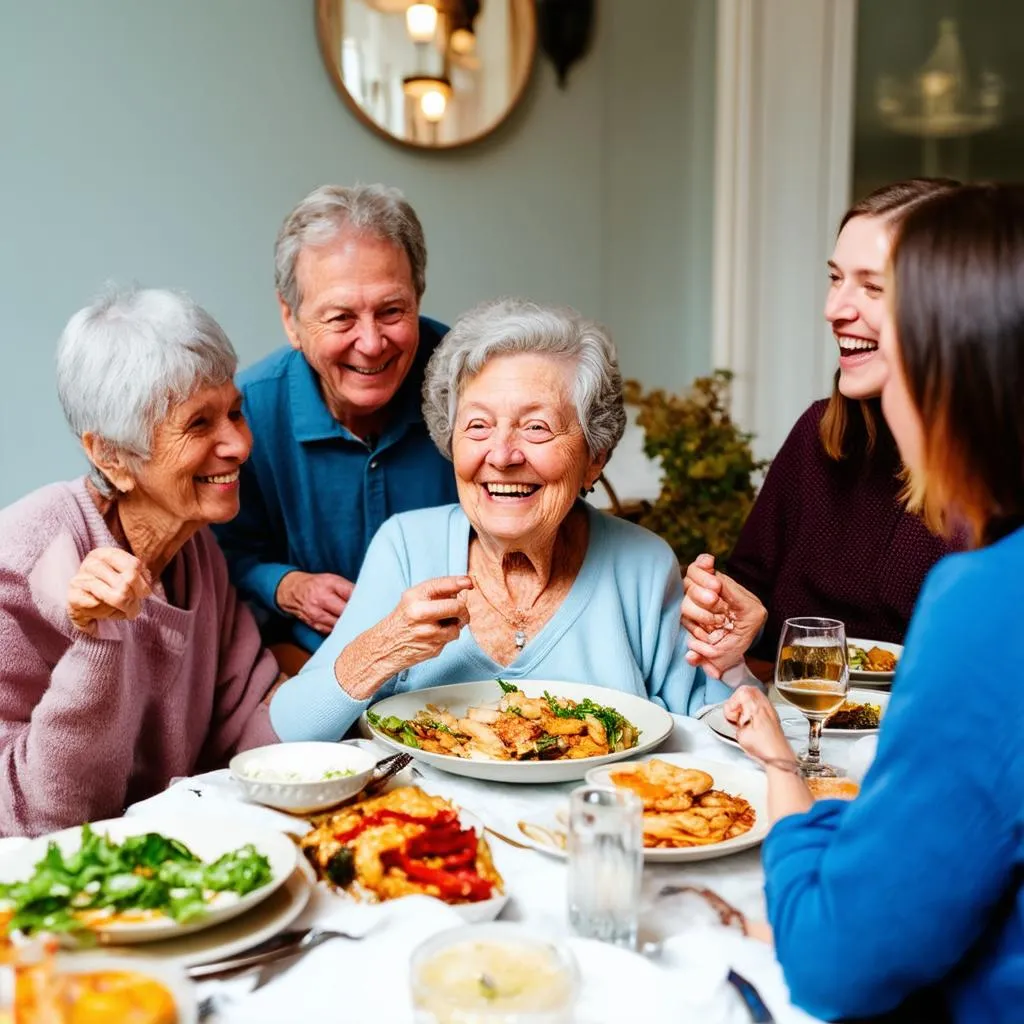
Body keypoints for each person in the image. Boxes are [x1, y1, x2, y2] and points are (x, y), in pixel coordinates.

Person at [725, 183, 1024, 1023]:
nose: (837, 312)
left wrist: (788, 784)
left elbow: (833, 962)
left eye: (888, 305)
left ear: (953, 359)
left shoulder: (989, 603)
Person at [270, 299, 753, 742]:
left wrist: (730, 667)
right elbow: (293, 728)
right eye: (477, 426)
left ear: (594, 457)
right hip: (429, 829)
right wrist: (383, 647)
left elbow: (713, 731)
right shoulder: (406, 545)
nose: (501, 455)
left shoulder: (641, 564)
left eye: (536, 427)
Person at [0, 288, 280, 837]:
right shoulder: (23, 560)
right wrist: (97, 640)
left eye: (235, 411)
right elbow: (35, 819)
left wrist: (362, 674)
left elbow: (246, 721)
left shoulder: (197, 548)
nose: (239, 445)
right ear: (111, 456)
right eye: (199, 424)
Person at [682, 179, 961, 670]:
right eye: (836, 278)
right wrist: (733, 614)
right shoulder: (819, 434)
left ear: (952, 308)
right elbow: (755, 600)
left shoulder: (995, 480)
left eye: (873, 287)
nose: (834, 310)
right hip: (792, 730)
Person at [213, 184, 458, 658]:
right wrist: (286, 585)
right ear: (291, 319)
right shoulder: (247, 416)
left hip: (461, 661)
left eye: (391, 311)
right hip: (311, 659)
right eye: (341, 318)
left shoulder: (473, 385)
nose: (371, 343)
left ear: (418, 296)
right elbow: (219, 556)